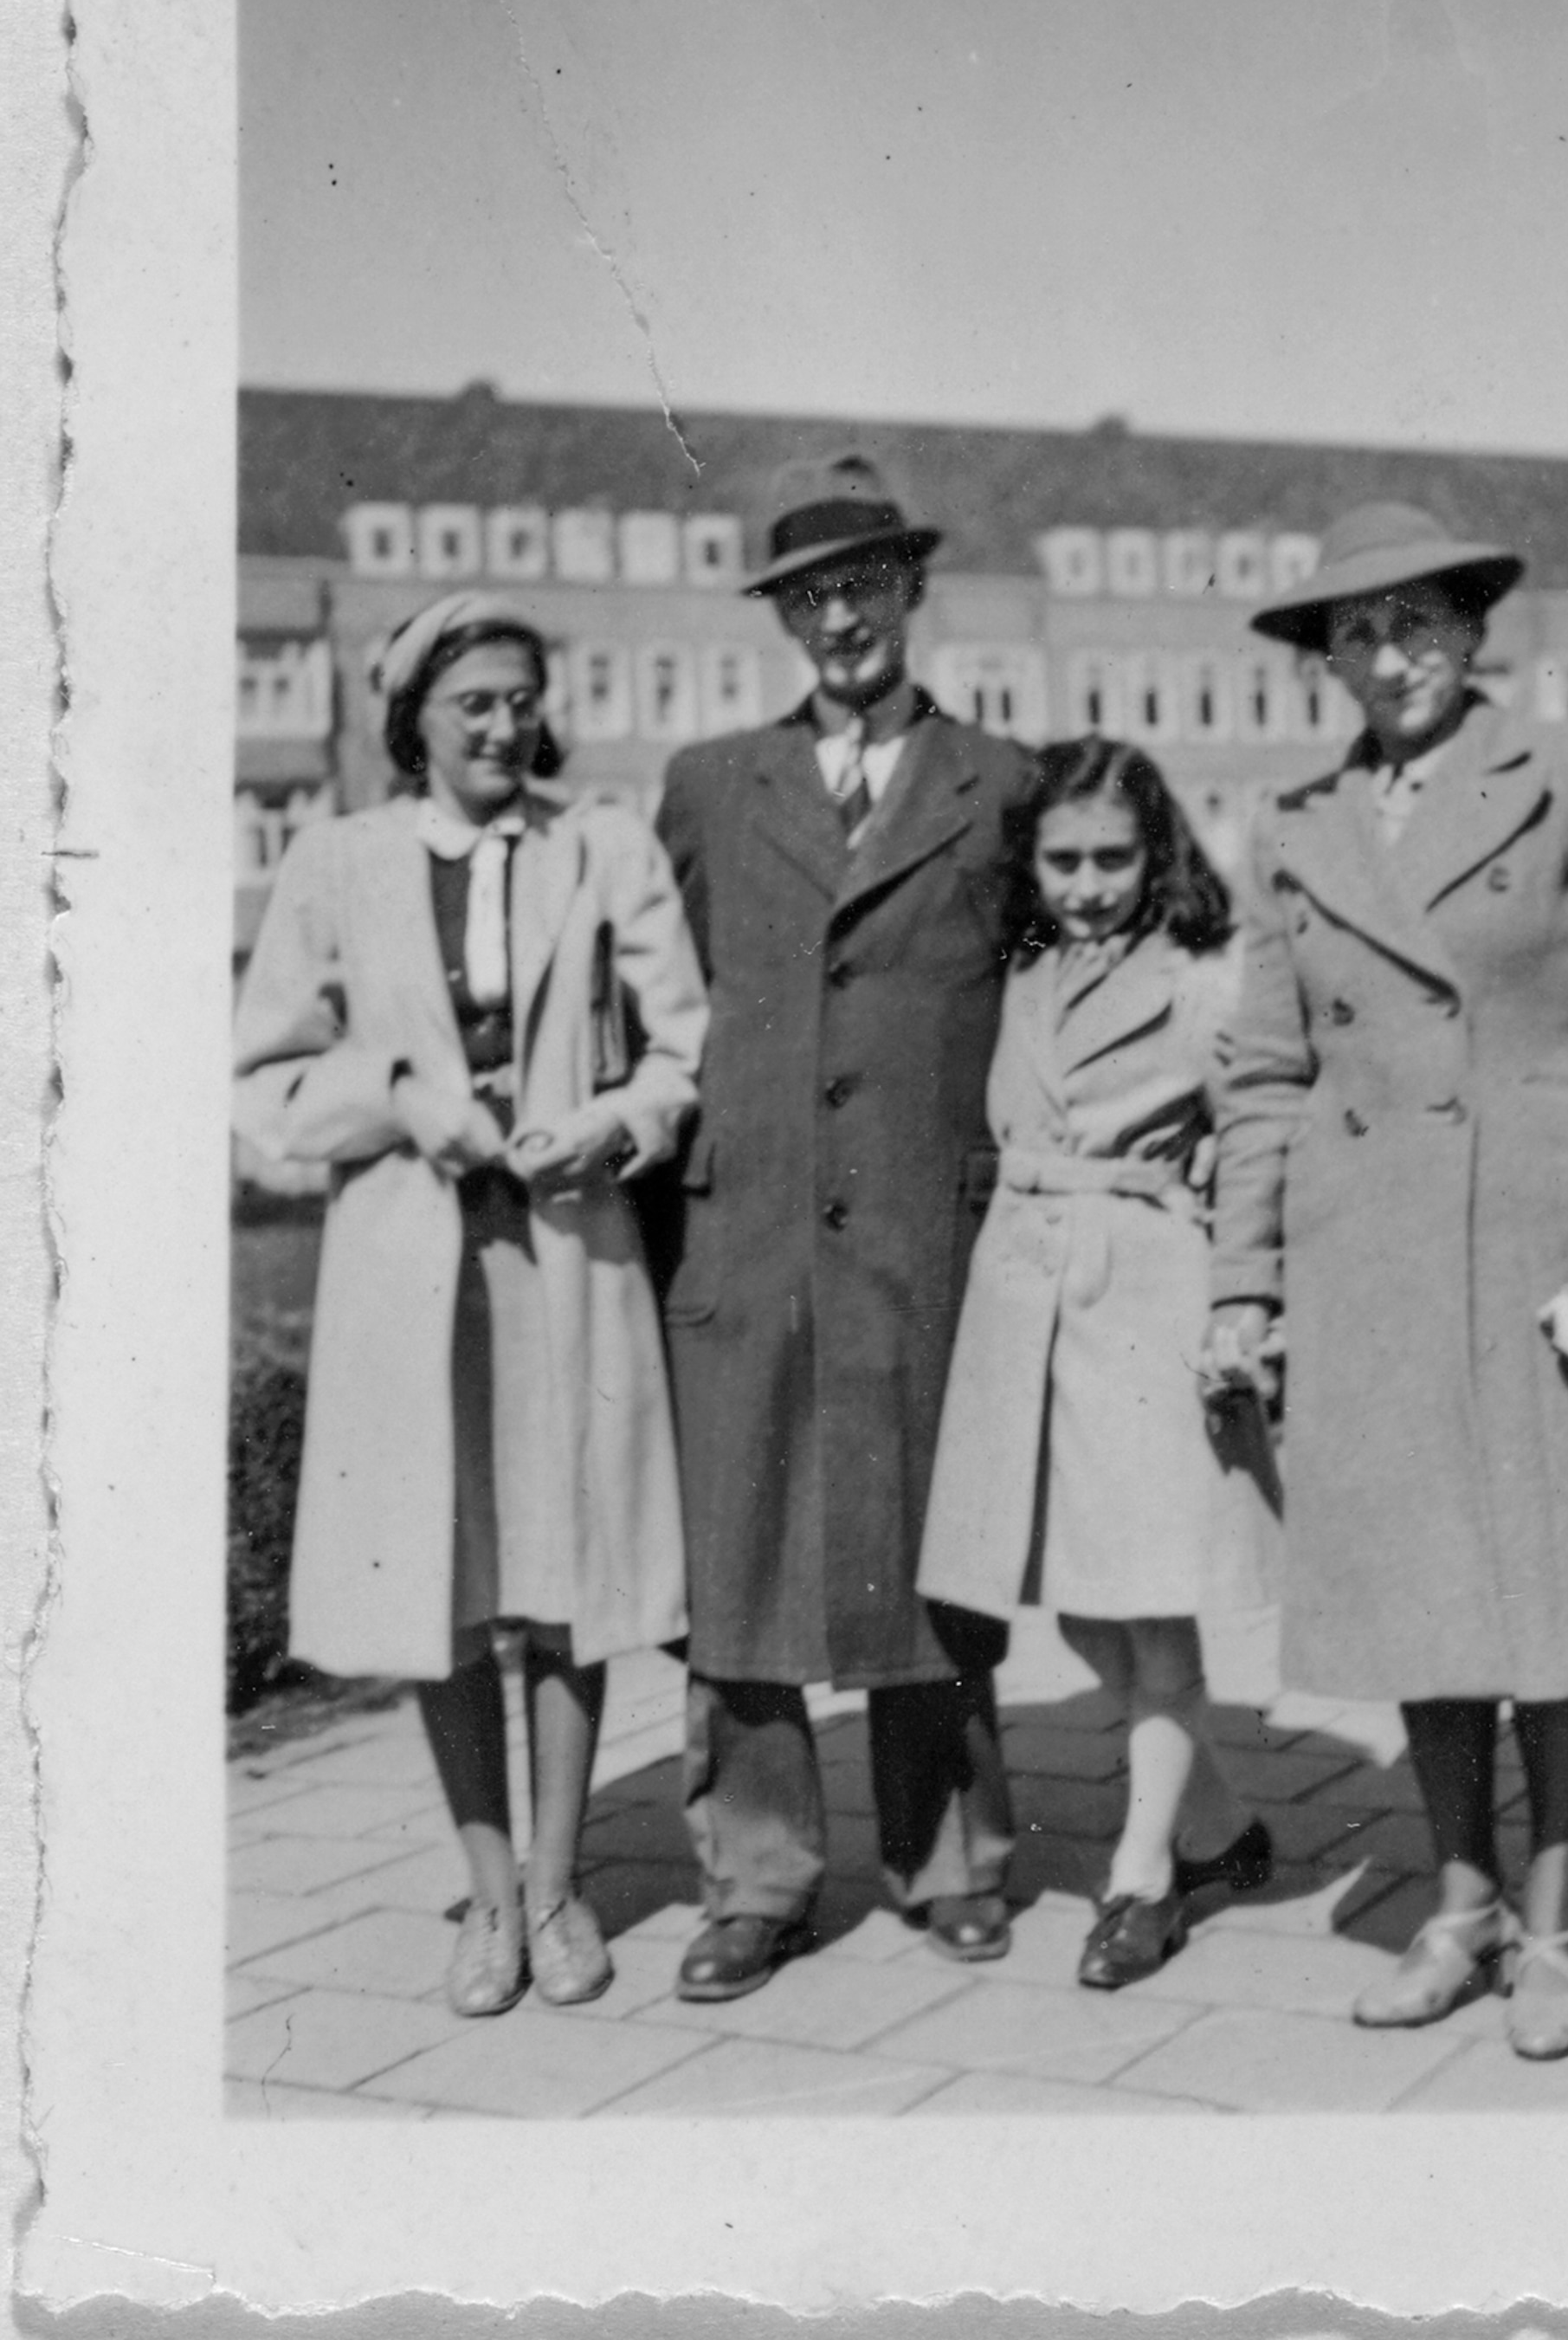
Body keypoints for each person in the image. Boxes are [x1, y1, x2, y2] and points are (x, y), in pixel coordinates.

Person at [1204, 500, 1568, 2061]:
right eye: (1357, 631)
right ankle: (1461, 1905)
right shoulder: (1295, 830)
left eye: (1420, 620)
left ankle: (1556, 1924)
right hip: (1371, 1257)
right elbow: (1263, 1075)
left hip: (1544, 1249)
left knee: (1555, 1588)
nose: (1392, 654)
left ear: (1473, 632)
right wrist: (1245, 1282)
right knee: (1422, 1595)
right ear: (1325, 659)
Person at [234, 591, 708, 2019]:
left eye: (520, 699)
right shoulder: (340, 859)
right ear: (413, 722)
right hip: (411, 1269)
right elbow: (261, 1078)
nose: (505, 727)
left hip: (566, 1248)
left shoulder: (599, 845)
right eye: (474, 706)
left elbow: (685, 1049)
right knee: (443, 1589)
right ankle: (488, 1898)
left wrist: (615, 1119)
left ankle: (562, 1891)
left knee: (566, 1576)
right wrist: (397, 1099)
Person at [652, 454, 1037, 2003]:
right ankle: (756, 1877)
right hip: (741, 1229)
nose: (840, 618)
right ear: (782, 618)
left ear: (913, 593)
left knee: (921, 1545)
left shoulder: (1003, 785)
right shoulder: (705, 787)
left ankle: (950, 1858)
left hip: (921, 1229)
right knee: (742, 1547)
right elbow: (654, 990)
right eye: (809, 594)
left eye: (865, 585)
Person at [918, 741, 1280, 1988]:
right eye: (1062, 860)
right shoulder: (1022, 973)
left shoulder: (1199, 980)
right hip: (1024, 1299)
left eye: (1112, 859)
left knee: (1149, 1596)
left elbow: (1258, 1148)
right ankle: (1223, 1820)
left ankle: (1143, 1878)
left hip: (1140, 1293)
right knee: (1074, 1596)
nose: (1085, 885)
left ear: (1158, 855)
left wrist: (1243, 1302)